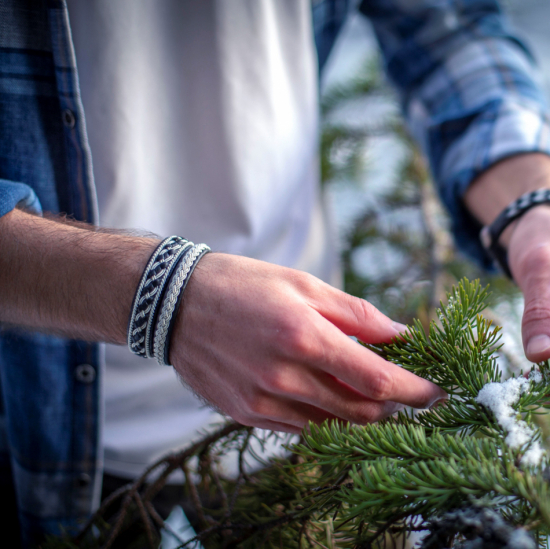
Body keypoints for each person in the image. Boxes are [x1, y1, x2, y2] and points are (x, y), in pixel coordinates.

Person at [1, 0, 550, 546]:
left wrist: (531, 211)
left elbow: (449, 32)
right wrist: (164, 296)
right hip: (33, 438)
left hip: (313, 409)